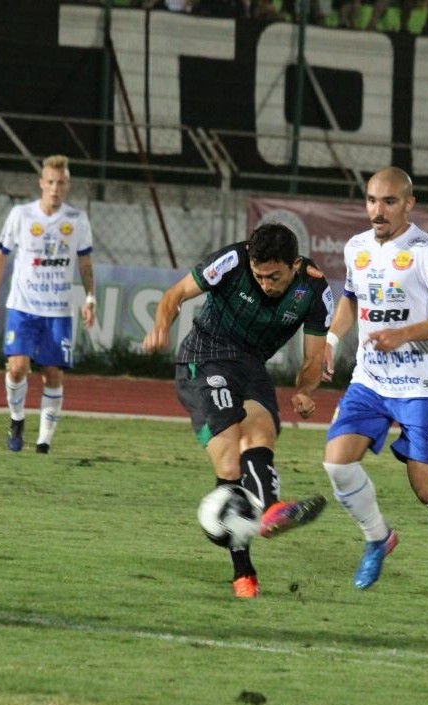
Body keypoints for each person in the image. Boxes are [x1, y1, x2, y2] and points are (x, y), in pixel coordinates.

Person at [321, 167, 428, 598]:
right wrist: (330, 338)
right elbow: (352, 298)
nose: (378, 211)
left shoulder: (424, 251)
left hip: (421, 385)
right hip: (371, 380)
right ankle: (378, 537)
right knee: (337, 462)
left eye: (389, 202)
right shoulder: (356, 247)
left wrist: (404, 334)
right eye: (372, 201)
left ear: (409, 204)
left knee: (426, 486)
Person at [142, 223, 331, 599]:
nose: (265, 284)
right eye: (259, 276)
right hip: (204, 359)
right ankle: (243, 569)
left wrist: (306, 390)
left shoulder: (314, 289)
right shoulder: (232, 261)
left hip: (251, 366)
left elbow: (314, 358)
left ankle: (270, 511)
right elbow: (176, 294)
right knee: (230, 464)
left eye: (274, 276)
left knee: (261, 433)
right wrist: (161, 327)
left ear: (295, 265)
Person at [0, 154, 96, 455]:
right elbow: (0, 255)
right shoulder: (21, 215)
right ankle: (17, 420)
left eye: (61, 183)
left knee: (53, 374)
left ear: (67, 185)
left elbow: (85, 262)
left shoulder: (77, 220)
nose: (55, 188)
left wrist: (90, 297)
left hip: (57, 311)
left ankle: (44, 442)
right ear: (41, 184)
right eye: (50, 182)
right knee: (18, 369)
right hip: (23, 307)